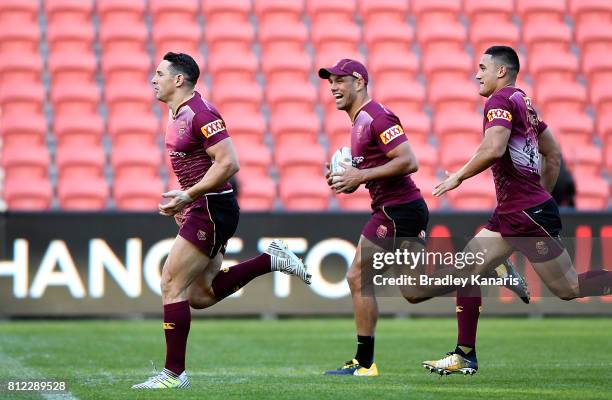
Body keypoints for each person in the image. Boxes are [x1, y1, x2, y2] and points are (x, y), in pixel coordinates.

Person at [318, 59, 529, 377]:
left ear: (359, 82)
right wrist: (347, 179)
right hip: (400, 208)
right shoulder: (359, 122)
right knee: (414, 291)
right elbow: (373, 172)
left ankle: (364, 363)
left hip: (397, 210)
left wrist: (359, 175)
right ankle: (488, 271)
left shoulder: (378, 116)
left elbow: (409, 161)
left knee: (356, 277)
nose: (333, 86)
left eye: (340, 80)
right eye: (330, 81)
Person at [420, 46, 612, 375]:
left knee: (568, 289)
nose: (477, 74)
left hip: (524, 212)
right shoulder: (525, 102)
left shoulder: (499, 101)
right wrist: (540, 197)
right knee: (467, 271)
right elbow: (552, 154)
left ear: (501, 72)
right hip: (517, 211)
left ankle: (472, 335)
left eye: (482, 67)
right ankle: (464, 353)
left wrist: (458, 177)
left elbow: (494, 147)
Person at [132, 52, 311, 389]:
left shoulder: (201, 113)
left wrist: (189, 196)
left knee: (171, 282)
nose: (153, 79)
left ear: (178, 79)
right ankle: (270, 260)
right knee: (200, 295)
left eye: (159, 74)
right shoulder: (178, 114)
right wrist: (185, 196)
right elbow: (199, 167)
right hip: (205, 207)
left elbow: (229, 163)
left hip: (212, 209)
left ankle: (173, 374)